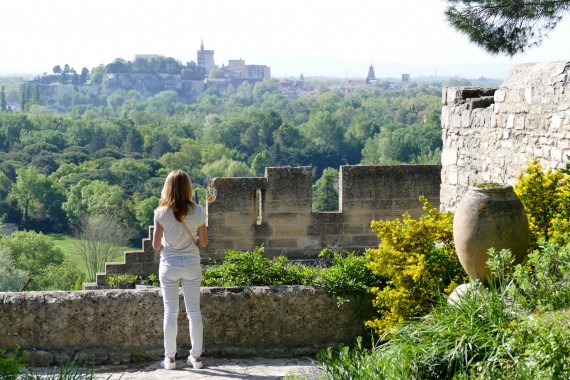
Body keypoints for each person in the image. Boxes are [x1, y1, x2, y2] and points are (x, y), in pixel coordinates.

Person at [153, 169, 208, 370]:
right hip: (191, 265)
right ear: (188, 188)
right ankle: (196, 358)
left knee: (170, 312)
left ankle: (169, 359)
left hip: (169, 266)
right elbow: (203, 243)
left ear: (167, 188)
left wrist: (169, 240)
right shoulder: (199, 211)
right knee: (194, 311)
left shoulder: (160, 213)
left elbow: (156, 246)